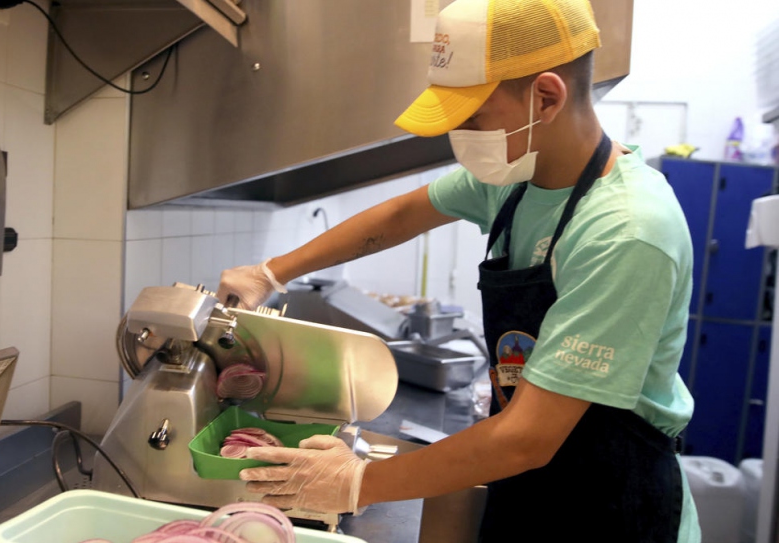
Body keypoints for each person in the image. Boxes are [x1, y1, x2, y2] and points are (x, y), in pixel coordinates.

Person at [217, 0, 701, 541]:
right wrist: (270, 272)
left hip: (613, 504)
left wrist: (359, 481)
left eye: (472, 118)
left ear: (546, 97)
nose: (458, 137)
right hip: (526, 488)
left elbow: (527, 438)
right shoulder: (521, 175)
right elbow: (401, 213)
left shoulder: (626, 231)